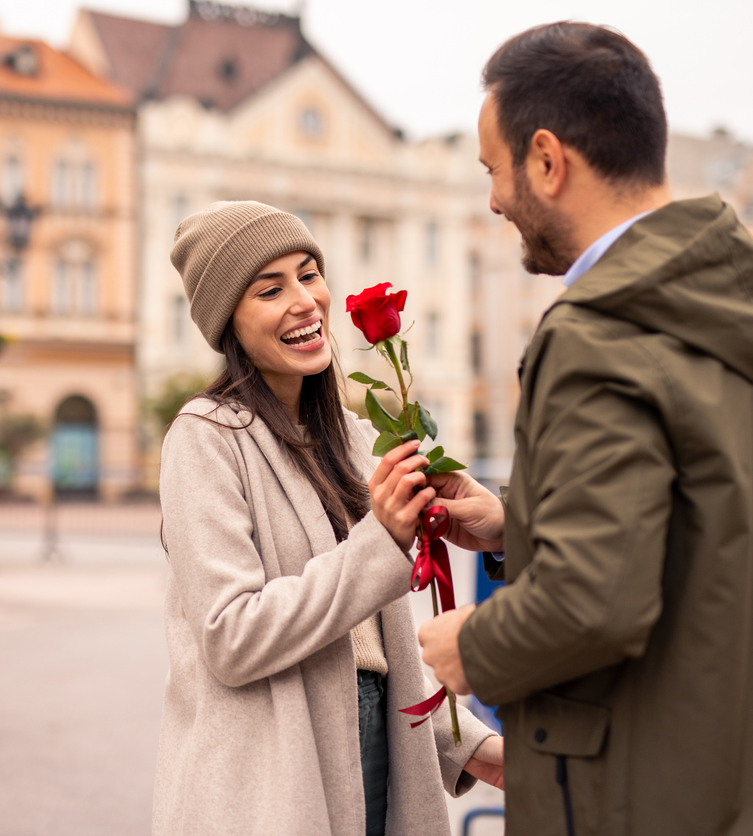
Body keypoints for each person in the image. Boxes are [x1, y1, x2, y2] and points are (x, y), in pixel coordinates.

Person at [417, 22, 753, 836]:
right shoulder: (735, 298)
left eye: (493, 170)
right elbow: (708, 526)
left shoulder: (600, 330)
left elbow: (593, 604)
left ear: (546, 160)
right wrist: (519, 524)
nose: (493, 200)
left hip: (645, 788)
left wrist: (467, 645)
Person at [153, 200, 503, 836]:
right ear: (227, 319)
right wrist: (382, 539)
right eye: (270, 288)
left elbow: (373, 648)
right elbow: (231, 637)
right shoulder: (206, 437)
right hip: (271, 780)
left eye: (309, 274)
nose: (304, 301)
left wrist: (472, 746)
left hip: (381, 744)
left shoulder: (351, 434)